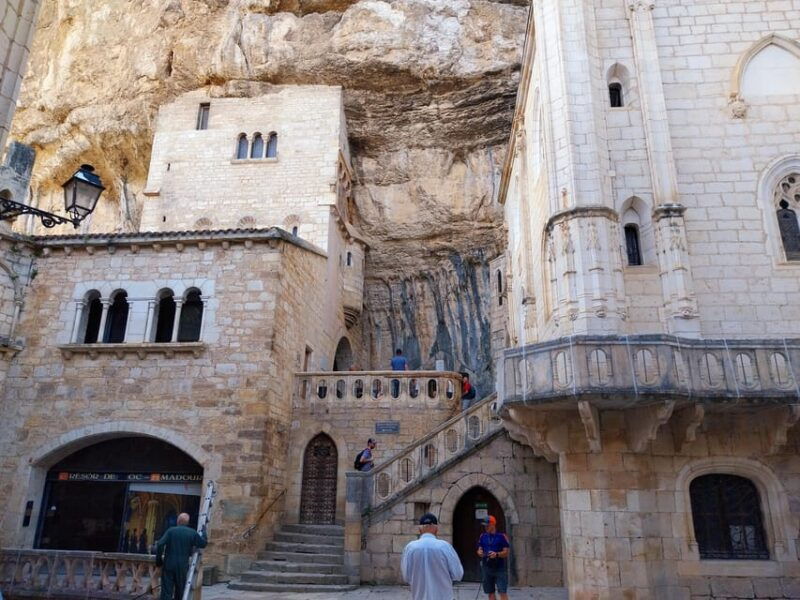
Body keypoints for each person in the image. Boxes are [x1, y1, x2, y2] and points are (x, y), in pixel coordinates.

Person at [401, 513, 463, 600]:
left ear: (420, 528)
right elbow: (458, 574)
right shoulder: (444, 546)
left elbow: (406, 577)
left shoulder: (410, 548)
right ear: (436, 528)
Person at [155, 512, 207, 600]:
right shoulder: (192, 532)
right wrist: (204, 532)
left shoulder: (171, 531)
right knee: (180, 591)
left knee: (166, 591)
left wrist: (158, 561)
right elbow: (203, 543)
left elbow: (160, 544)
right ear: (187, 522)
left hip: (169, 564)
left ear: (178, 521)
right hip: (182, 566)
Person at [476, 515, 510, 600]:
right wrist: (479, 552)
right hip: (487, 567)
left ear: (493, 524)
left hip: (499, 568)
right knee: (490, 592)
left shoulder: (502, 536)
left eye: (487, 525)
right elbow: (479, 549)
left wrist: (497, 554)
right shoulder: (482, 536)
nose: (485, 527)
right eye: (485, 525)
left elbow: (506, 552)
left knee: (502, 591)